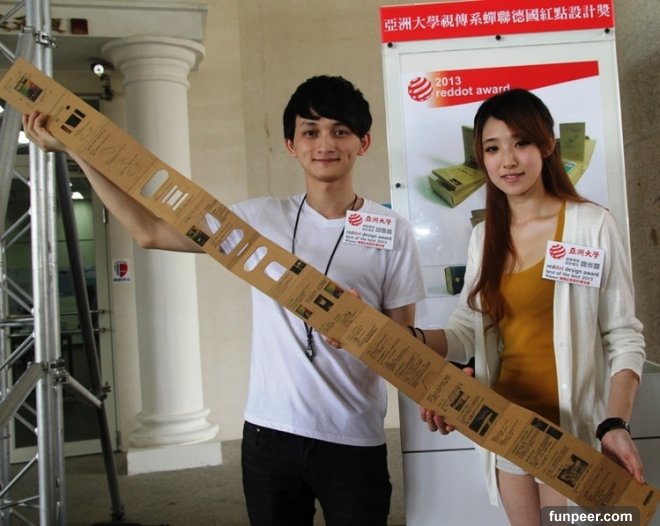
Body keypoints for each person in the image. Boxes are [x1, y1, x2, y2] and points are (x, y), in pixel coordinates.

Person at [23, 75, 425, 526]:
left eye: (340, 131)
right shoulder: (259, 219)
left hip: (353, 437)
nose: (325, 144)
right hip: (270, 433)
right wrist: (77, 151)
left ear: (363, 142)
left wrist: (362, 328)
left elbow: (404, 345)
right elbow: (150, 231)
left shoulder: (393, 231)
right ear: (291, 145)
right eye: (310, 132)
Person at [412, 89, 646, 526]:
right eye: (492, 148)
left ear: (548, 144)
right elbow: (467, 328)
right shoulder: (485, 236)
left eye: (521, 142)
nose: (508, 160)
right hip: (508, 426)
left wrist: (614, 423)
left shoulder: (591, 225)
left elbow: (623, 336)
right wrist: (412, 339)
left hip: (572, 434)